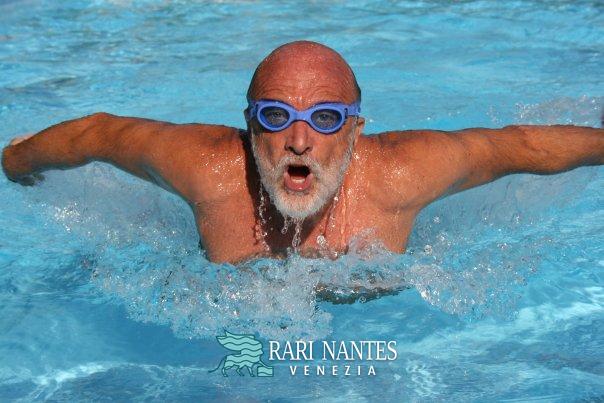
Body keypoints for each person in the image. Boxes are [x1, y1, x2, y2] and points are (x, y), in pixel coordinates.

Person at [2, 41, 603, 264]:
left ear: (355, 130)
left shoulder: (403, 173)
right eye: (275, 116)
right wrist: (15, 164)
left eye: (325, 119)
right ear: (250, 126)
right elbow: (102, 133)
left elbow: (519, 146)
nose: (299, 140)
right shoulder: (208, 168)